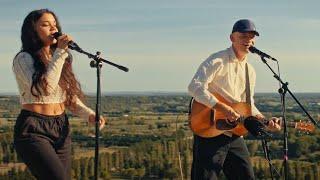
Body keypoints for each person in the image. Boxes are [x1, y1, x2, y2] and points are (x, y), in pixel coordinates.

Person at [12, 9, 106, 180]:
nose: (53, 29)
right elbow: (45, 89)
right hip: (34, 128)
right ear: (32, 30)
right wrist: (60, 53)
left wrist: (89, 114)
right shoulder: (23, 59)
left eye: (54, 24)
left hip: (61, 126)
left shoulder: (60, 58)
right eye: (45, 25)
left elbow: (68, 97)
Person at [188, 19, 281, 180]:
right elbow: (195, 87)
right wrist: (223, 108)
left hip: (235, 133)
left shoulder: (249, 70)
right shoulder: (218, 60)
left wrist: (264, 121)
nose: (248, 40)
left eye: (251, 36)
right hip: (211, 128)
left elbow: (248, 106)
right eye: (243, 36)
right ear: (232, 38)